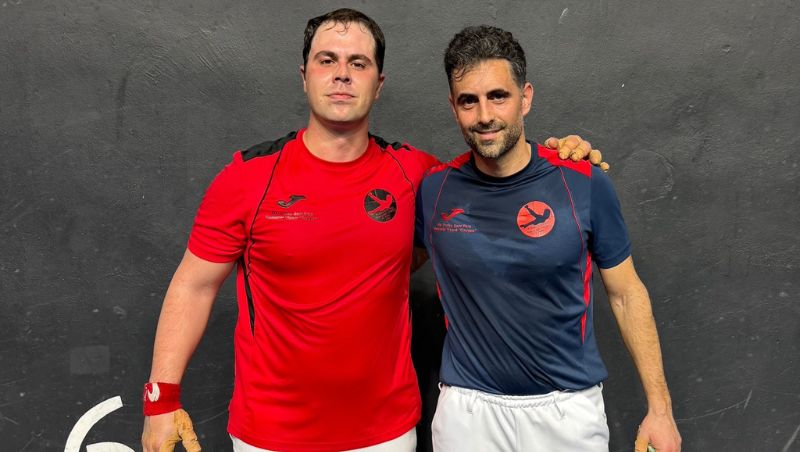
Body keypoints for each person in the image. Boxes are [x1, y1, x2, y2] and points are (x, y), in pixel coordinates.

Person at [141, 9, 600, 452]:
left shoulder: (416, 175)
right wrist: (160, 400)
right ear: (304, 76)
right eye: (327, 60)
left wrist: (562, 155)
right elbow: (194, 286)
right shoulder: (248, 177)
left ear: (378, 84)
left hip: (386, 434)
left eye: (358, 63)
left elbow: (496, 175)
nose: (342, 74)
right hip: (270, 434)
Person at [414, 25, 681, 452]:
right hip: (468, 412)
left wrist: (661, 410)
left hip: (566, 412)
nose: (484, 115)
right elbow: (382, 266)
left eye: (498, 96)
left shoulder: (583, 181)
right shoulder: (434, 190)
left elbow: (626, 294)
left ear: (526, 98)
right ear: (453, 106)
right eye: (469, 100)